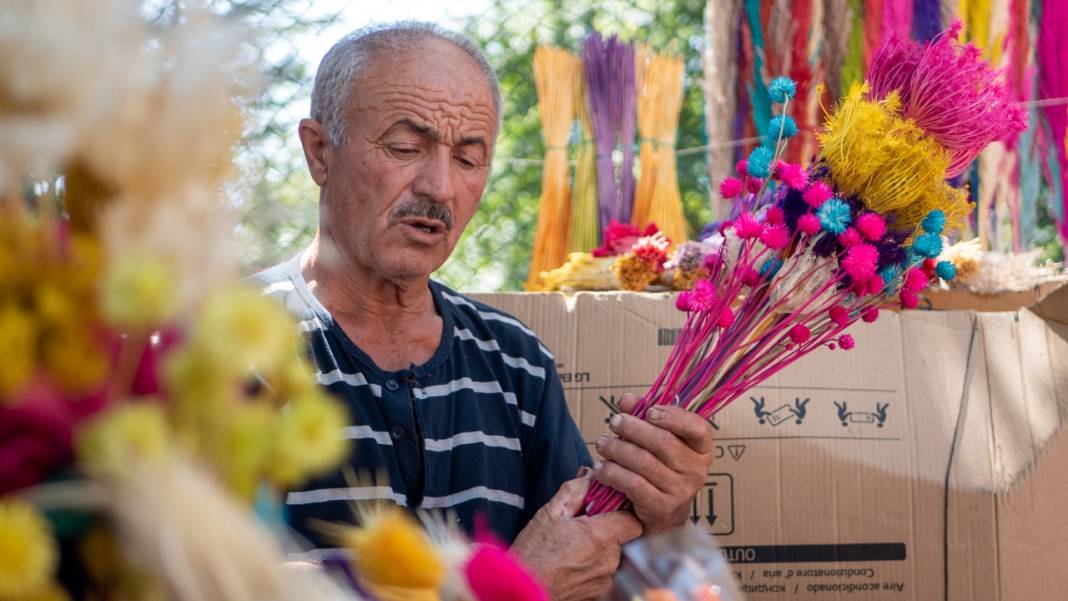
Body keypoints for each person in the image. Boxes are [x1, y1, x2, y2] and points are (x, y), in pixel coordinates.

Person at [252, 21, 716, 600]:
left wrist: (660, 517)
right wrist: (509, 587)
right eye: (404, 148)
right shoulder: (231, 348)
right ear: (320, 152)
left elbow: (594, 579)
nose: (440, 187)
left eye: (469, 159)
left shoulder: (513, 361)